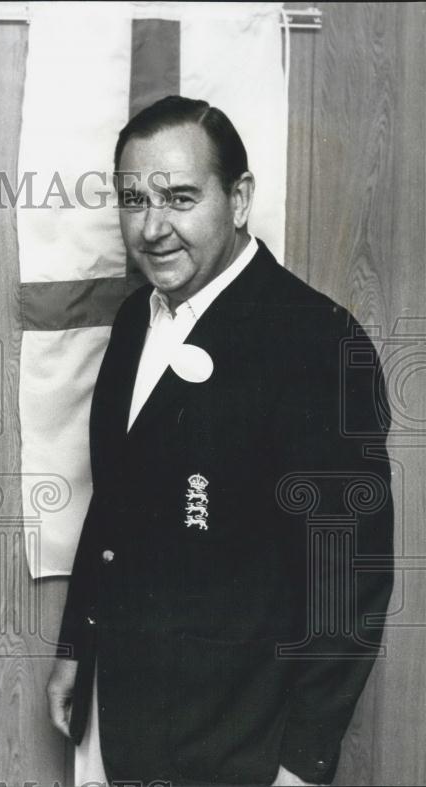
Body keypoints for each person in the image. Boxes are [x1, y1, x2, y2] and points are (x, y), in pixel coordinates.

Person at [46, 96, 394, 787]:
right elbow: (112, 506)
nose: (152, 228)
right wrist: (76, 648)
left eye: (179, 198)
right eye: (133, 200)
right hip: (115, 716)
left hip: (239, 740)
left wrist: (304, 759)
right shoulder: (131, 322)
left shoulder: (317, 342)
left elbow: (347, 579)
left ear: (238, 200)